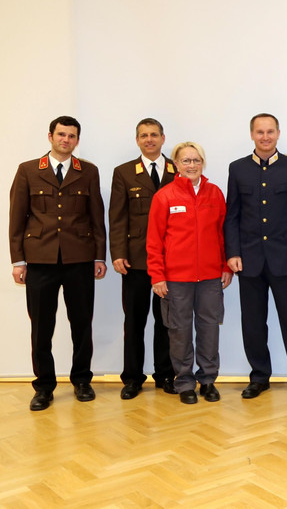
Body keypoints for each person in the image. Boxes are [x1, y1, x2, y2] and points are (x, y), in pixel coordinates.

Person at [10, 116, 107, 411]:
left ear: (77, 140)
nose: (66, 140)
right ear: (50, 136)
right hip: (40, 259)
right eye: (61, 134)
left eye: (72, 136)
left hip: (79, 258)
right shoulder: (28, 170)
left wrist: (99, 256)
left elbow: (96, 216)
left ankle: (82, 381)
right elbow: (17, 217)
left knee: (82, 323)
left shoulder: (88, 171)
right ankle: (43, 387)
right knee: (41, 326)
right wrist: (18, 260)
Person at [224, 113, 287, 398]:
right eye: (260, 132)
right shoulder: (238, 168)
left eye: (270, 131)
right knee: (252, 323)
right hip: (249, 260)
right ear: (252, 134)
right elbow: (232, 215)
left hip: (285, 259)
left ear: (278, 133)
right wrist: (232, 252)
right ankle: (259, 376)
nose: (265, 137)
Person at [147, 142, 233, 404]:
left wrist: (225, 266)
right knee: (179, 331)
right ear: (176, 164)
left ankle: (207, 380)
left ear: (202, 163)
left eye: (196, 160)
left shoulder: (214, 193)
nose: (192, 165)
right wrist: (157, 275)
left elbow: (223, 234)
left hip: (209, 277)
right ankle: (184, 382)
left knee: (209, 329)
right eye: (186, 161)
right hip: (176, 279)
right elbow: (154, 240)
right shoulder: (164, 196)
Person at [109, 118, 177, 399]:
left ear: (163, 138)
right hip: (135, 260)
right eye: (144, 135)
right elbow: (117, 217)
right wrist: (118, 253)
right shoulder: (124, 172)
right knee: (134, 321)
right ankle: (132, 377)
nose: (149, 139)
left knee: (167, 321)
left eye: (154, 135)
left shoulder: (178, 169)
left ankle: (166, 374)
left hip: (171, 260)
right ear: (137, 140)